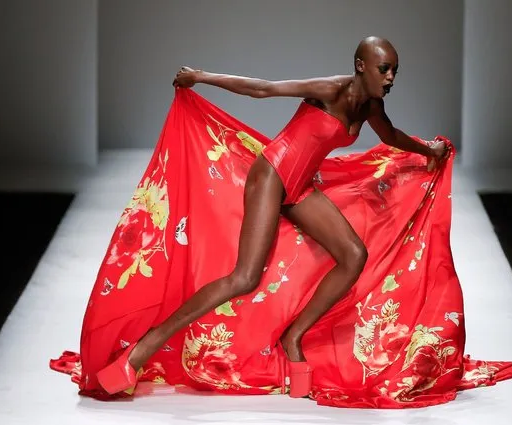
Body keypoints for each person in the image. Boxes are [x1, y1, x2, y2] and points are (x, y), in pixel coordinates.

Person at [95, 36, 449, 398]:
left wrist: (427, 149)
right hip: (271, 176)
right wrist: (200, 77)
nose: (390, 78)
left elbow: (390, 135)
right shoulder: (330, 88)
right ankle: (137, 354)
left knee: (353, 256)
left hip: (299, 189)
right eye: (384, 69)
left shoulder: (371, 106)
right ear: (361, 66)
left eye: (394, 71)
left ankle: (293, 337)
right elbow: (262, 89)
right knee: (244, 277)